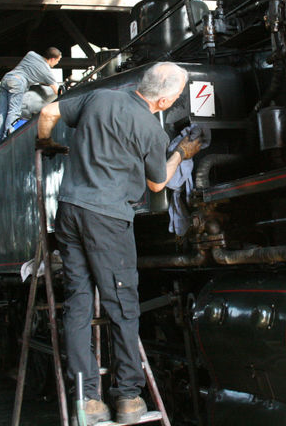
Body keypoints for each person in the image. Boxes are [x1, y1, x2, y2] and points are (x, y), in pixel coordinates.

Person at [36, 62, 202, 425]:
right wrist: (181, 154)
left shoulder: (98, 97)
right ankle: (128, 396)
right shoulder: (150, 130)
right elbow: (157, 185)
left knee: (79, 303)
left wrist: (46, 142)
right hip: (107, 220)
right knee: (122, 305)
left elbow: (48, 112)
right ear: (164, 100)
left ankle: (87, 400)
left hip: (69, 211)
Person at [0, 47, 62, 141]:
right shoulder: (47, 72)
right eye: (58, 60)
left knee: (2, 112)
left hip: (6, 79)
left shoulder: (31, 54)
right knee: (14, 111)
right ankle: (7, 138)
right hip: (17, 82)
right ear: (52, 59)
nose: (57, 63)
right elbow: (57, 91)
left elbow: (31, 70)